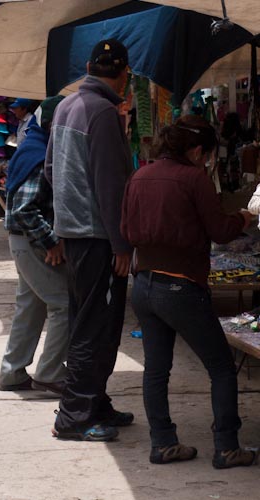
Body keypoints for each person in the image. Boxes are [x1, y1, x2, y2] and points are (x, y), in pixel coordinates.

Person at [122, 115, 256, 469]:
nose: (208, 160)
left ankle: (163, 443)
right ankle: (227, 447)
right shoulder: (193, 178)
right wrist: (244, 217)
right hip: (180, 284)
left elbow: (125, 228)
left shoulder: (140, 175)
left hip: (144, 283)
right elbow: (219, 230)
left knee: (156, 369)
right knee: (222, 368)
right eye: (207, 154)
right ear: (197, 151)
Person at [45, 39, 134, 441]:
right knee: (94, 326)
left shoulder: (65, 105)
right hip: (97, 236)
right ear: (124, 74)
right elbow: (111, 184)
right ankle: (73, 415)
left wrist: (62, 225)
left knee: (94, 321)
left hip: (76, 232)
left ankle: (95, 402)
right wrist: (121, 244)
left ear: (87, 66)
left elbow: (49, 171)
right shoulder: (103, 112)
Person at [0, 96, 68, 395]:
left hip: (22, 240)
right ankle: (50, 373)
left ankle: (13, 372)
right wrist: (50, 242)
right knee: (64, 304)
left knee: (31, 306)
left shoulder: (32, 145)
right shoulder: (40, 153)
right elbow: (25, 209)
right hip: (31, 241)